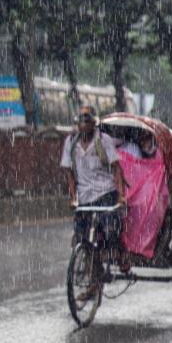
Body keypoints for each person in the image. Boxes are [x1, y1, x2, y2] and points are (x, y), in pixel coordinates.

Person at [60, 106, 129, 291]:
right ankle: (94, 275)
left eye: (87, 121)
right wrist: (74, 198)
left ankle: (119, 253)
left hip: (105, 192)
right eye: (81, 122)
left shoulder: (103, 141)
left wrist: (121, 196)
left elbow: (116, 168)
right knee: (80, 236)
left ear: (93, 124)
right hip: (84, 196)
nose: (84, 126)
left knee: (110, 230)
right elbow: (68, 173)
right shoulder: (71, 143)